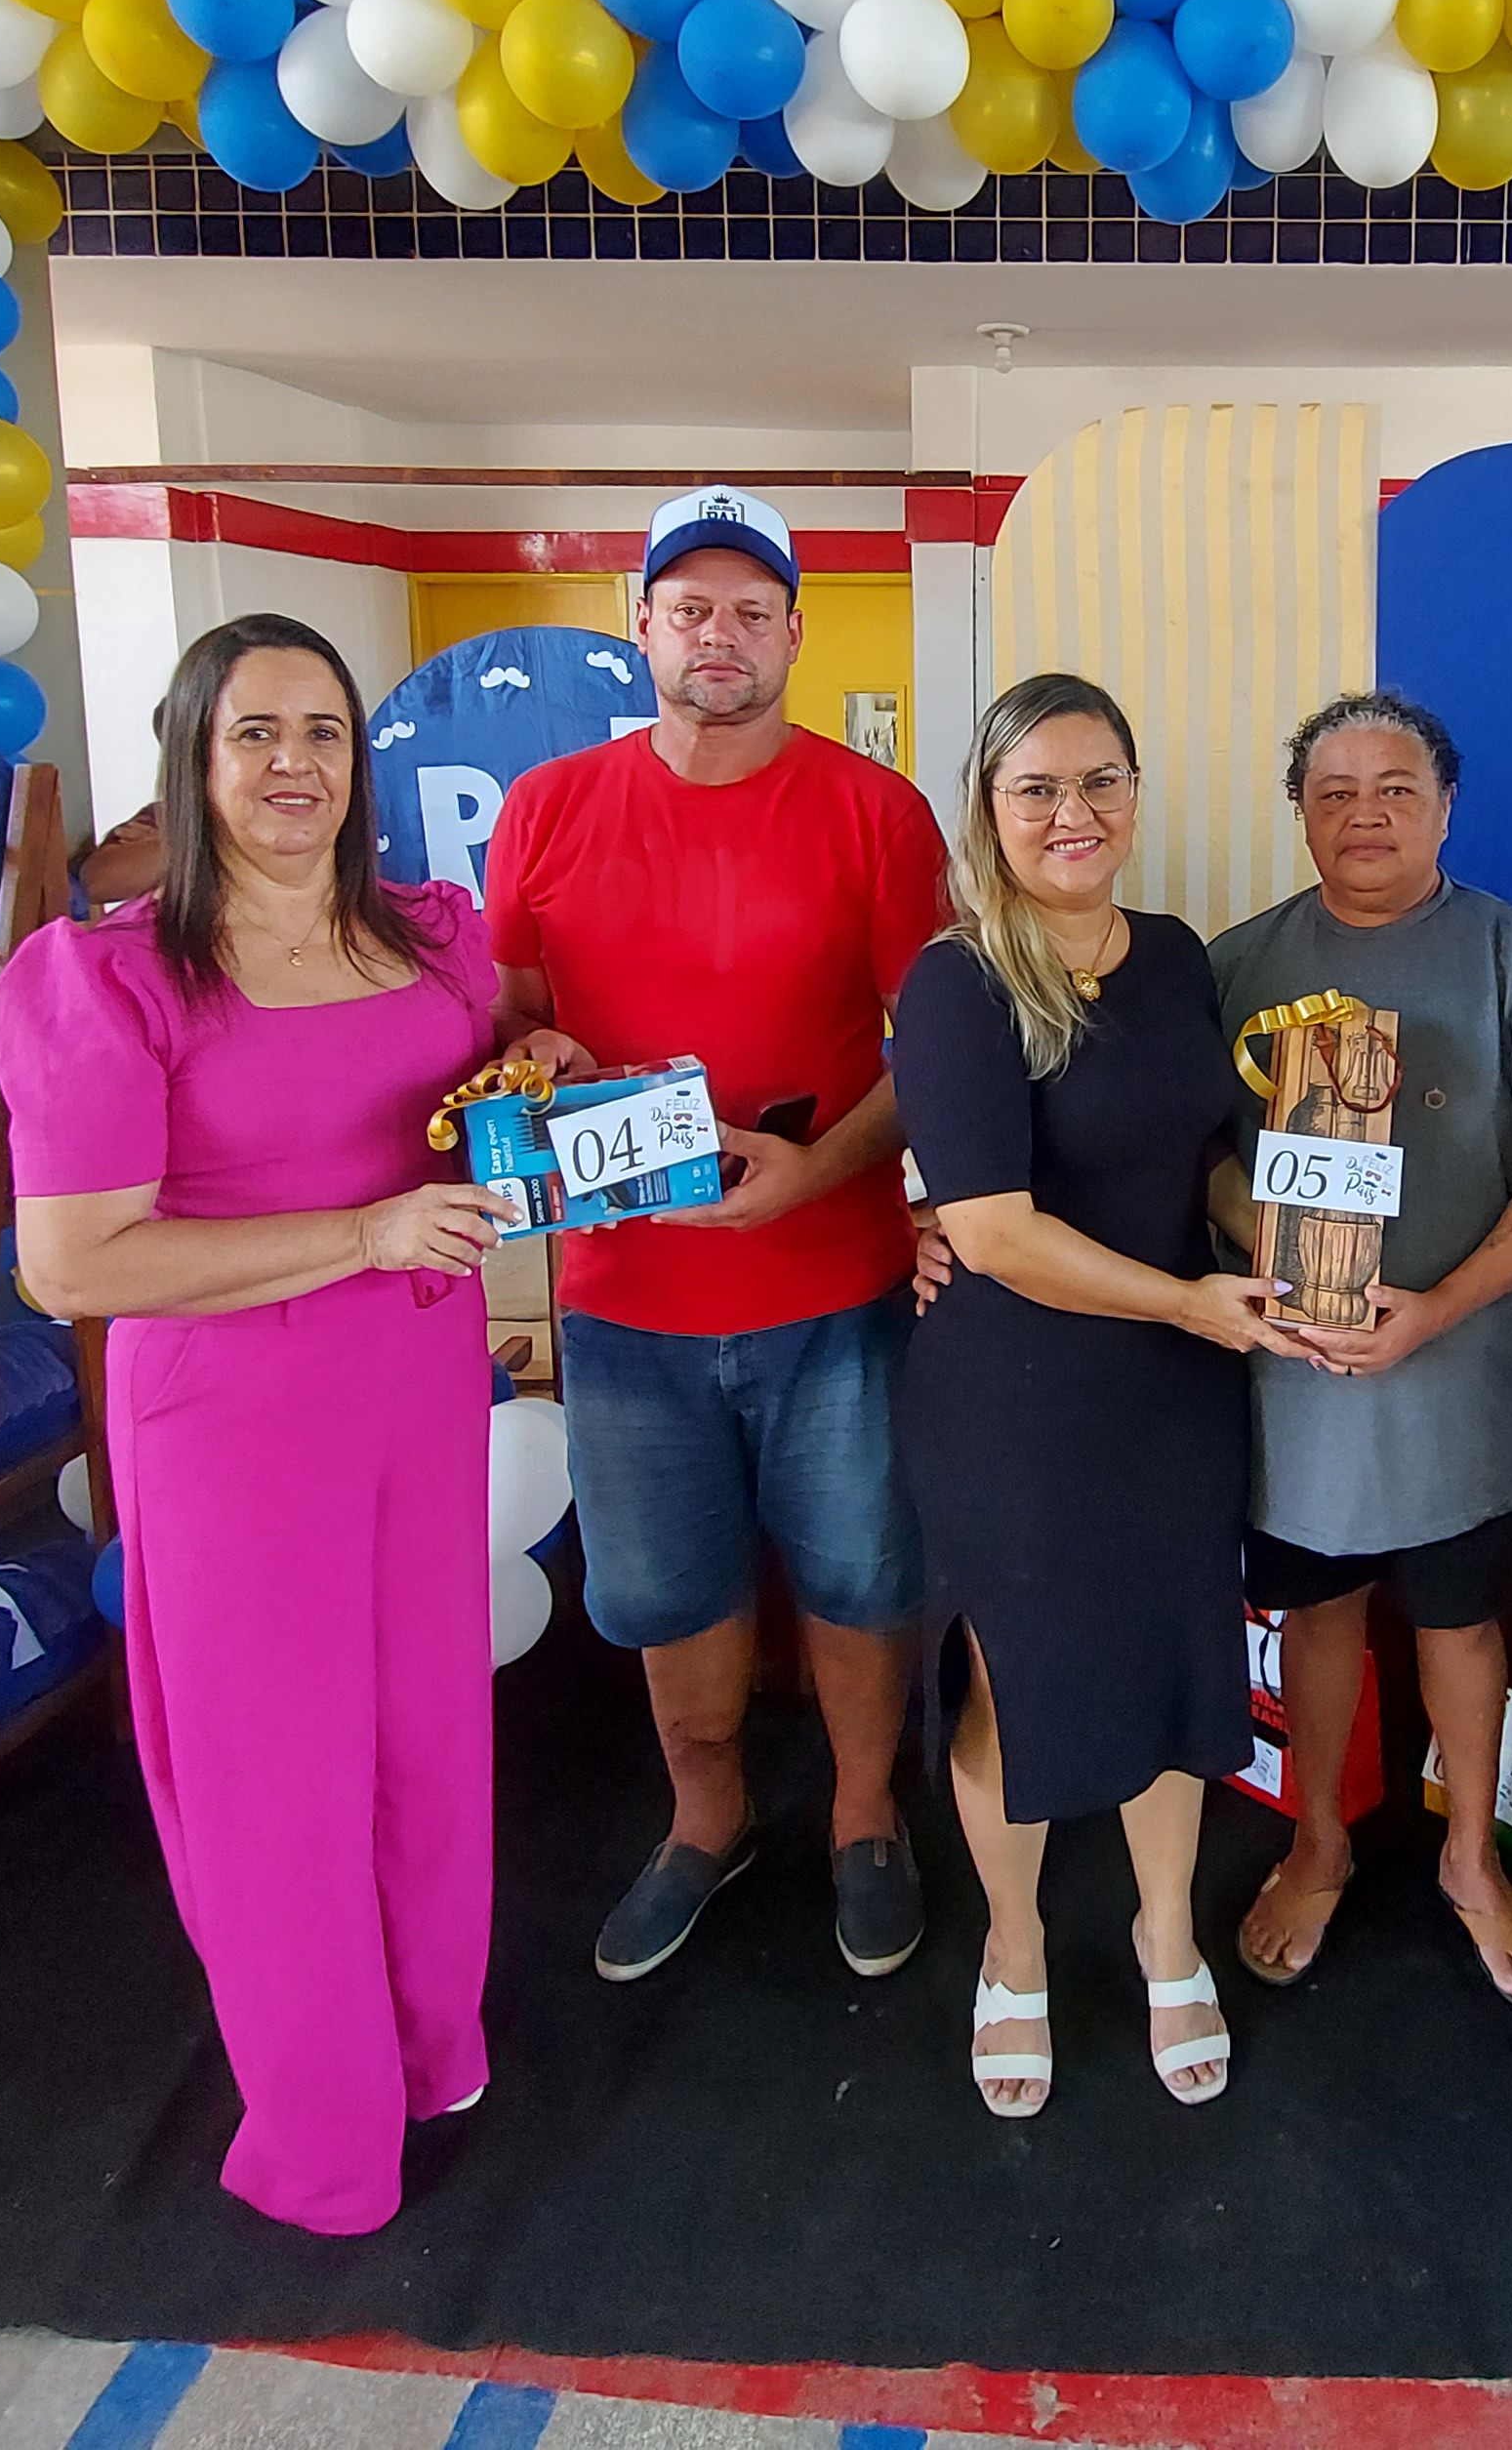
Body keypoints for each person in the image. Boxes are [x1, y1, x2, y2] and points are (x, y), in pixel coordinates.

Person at [5, 615, 517, 2237]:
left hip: (417, 1387)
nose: (296, 764)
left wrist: (538, 1079)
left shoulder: (432, 935)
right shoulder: (108, 975)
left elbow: (467, 1104)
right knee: (275, 1780)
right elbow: (75, 1263)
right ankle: (327, 2129)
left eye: (324, 732)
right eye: (256, 734)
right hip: (234, 1421)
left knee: (428, 1737)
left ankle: (431, 2050)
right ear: (193, 758)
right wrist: (362, 1234)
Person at [487, 487, 949, 1985]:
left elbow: (933, 1052)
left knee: (862, 1579)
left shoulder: (877, 812)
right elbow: (512, 1020)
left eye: (752, 610)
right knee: (663, 1595)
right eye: (691, 608)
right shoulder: (548, 807)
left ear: (796, 634)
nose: (720, 635)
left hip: (838, 1286)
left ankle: (865, 1817)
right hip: (624, 1300)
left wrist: (814, 1174)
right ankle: (707, 1819)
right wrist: (536, 1061)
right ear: (641, 628)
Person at [891, 674, 1266, 2117]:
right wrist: (1187, 1299)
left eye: (1100, 780)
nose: (1073, 812)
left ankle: (1168, 1935)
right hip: (1018, 1401)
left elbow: (1205, 1152)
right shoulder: (958, 983)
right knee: (1022, 1678)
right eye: (1036, 787)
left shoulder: (1172, 957)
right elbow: (991, 1232)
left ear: (1135, 793)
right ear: (987, 808)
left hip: (1175, 1390)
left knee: (1178, 1664)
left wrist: (1272, 1237)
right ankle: (1016, 1949)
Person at [1207, 692, 1512, 2011]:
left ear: (1446, 806)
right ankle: (1317, 1842)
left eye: (1396, 789)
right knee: (1316, 1614)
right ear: (1300, 813)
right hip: (1295, 1377)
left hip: (1457, 1370)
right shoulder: (1236, 963)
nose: (1364, 816)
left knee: (1459, 1624)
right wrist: (1277, 1253)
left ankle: (1471, 1859)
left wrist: (1435, 1306)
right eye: (1334, 793)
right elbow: (1198, 1159)